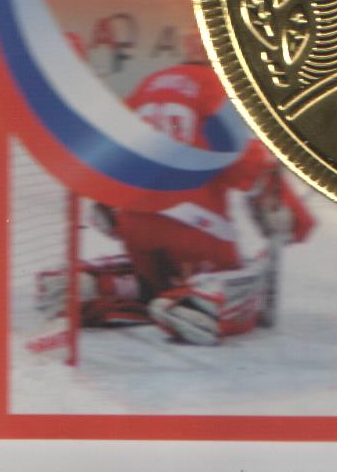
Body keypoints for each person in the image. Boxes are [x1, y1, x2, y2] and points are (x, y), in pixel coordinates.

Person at [87, 58, 316, 345]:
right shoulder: (216, 88)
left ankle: (102, 287)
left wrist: (105, 202)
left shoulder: (148, 85)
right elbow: (247, 160)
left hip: (134, 223)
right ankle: (199, 306)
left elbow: (110, 147)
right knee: (238, 282)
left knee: (154, 284)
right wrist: (296, 219)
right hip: (196, 226)